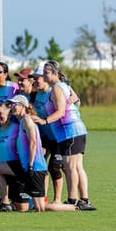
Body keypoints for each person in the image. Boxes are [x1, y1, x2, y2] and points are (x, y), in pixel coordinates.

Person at [31, 60, 96, 210]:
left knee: (71, 166)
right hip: (75, 131)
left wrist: (44, 121)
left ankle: (73, 199)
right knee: (78, 166)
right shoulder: (63, 86)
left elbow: (60, 112)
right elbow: (76, 100)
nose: (44, 75)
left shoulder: (57, 88)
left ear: (55, 73)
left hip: (69, 131)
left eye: (47, 72)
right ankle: (84, 200)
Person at [8, 95, 48, 212]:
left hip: (35, 167)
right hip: (32, 167)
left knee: (40, 207)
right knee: (38, 205)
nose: (12, 107)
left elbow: (33, 142)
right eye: (11, 105)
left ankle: (72, 208)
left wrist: (30, 165)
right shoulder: (22, 121)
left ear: (23, 106)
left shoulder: (26, 119)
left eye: (15, 104)